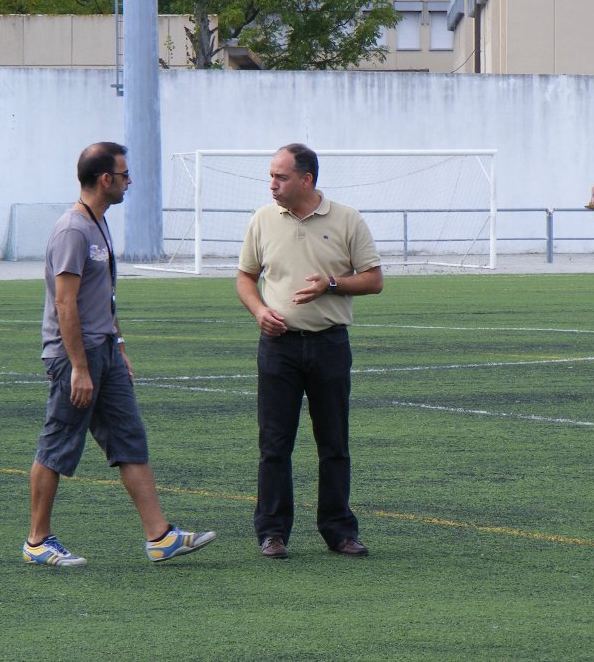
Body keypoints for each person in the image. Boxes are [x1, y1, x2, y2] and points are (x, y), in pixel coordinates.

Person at [24, 142, 216, 567]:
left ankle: (159, 536)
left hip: (105, 352)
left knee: (129, 439)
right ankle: (37, 541)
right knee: (58, 444)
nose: (130, 182)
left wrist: (120, 345)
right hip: (75, 357)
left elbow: (102, 298)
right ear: (105, 179)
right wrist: (79, 367)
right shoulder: (73, 230)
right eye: (125, 175)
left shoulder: (99, 223)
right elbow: (65, 303)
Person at [236, 143, 384, 560]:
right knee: (274, 444)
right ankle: (272, 532)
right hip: (278, 348)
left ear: (306, 179)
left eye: (280, 177)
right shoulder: (262, 220)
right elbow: (245, 278)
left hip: (329, 345)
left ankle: (339, 531)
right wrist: (260, 311)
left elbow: (374, 280)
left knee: (333, 443)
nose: (272, 185)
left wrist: (331, 284)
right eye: (271, 176)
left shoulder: (347, 219)